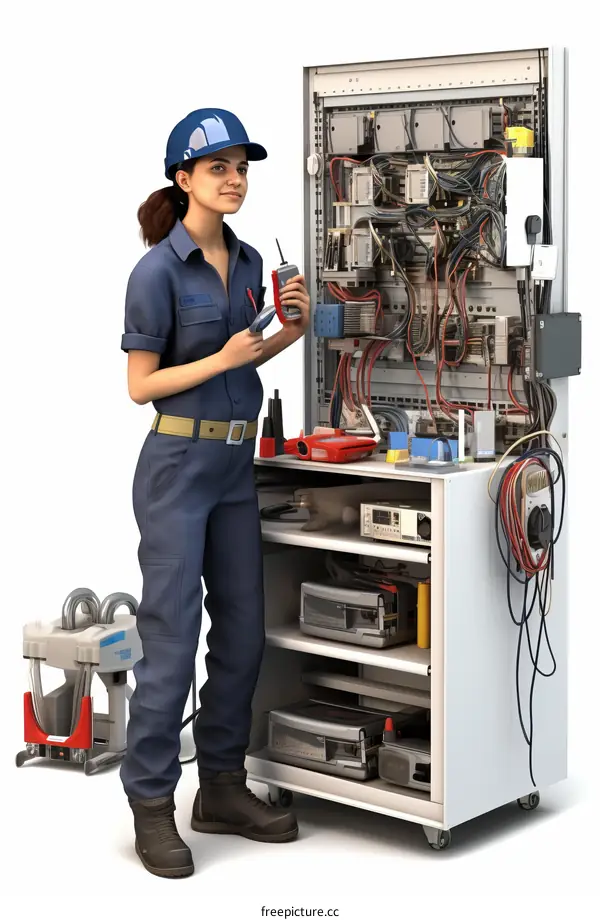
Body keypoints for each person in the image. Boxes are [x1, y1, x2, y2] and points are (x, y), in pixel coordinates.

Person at [119, 108, 310, 878]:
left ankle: (222, 786)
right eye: (219, 169)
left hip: (235, 471)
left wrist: (288, 329)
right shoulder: (157, 271)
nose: (234, 181)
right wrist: (222, 356)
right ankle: (152, 806)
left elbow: (248, 356)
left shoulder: (250, 256)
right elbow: (140, 386)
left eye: (242, 169)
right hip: (175, 468)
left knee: (244, 631)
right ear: (183, 178)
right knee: (170, 638)